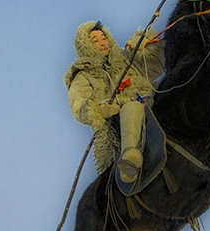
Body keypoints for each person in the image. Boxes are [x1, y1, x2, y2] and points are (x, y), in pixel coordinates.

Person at [64, 20, 164, 183]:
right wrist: (102, 109)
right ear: (86, 46)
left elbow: (155, 67)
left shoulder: (125, 58)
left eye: (103, 38)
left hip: (150, 99)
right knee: (131, 107)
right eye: (95, 41)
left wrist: (144, 47)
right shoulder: (83, 76)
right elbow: (80, 107)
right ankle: (129, 160)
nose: (102, 43)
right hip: (119, 120)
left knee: (171, 86)